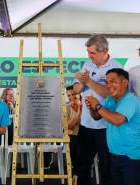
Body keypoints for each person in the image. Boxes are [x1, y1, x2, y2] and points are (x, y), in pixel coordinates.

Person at [73, 34, 122, 185]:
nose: (89, 56)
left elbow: (111, 93)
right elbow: (75, 89)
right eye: (88, 52)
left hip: (107, 126)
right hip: (86, 124)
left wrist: (88, 81)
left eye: (92, 53)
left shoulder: (116, 67)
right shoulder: (87, 65)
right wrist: (82, 84)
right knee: (82, 167)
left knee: (107, 167)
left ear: (104, 51)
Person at [85, 68, 140, 185]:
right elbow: (97, 117)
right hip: (114, 155)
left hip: (130, 158)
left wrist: (98, 106)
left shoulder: (130, 100)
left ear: (125, 83)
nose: (108, 85)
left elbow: (117, 120)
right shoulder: (110, 99)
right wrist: (91, 107)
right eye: (107, 82)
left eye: (113, 81)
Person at [66, 85, 81, 180]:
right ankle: (77, 174)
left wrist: (79, 108)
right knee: (73, 141)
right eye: (69, 95)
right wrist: (78, 113)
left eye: (74, 94)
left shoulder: (85, 105)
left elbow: (83, 124)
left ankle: (78, 175)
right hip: (73, 136)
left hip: (86, 135)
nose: (71, 97)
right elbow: (69, 126)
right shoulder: (67, 107)